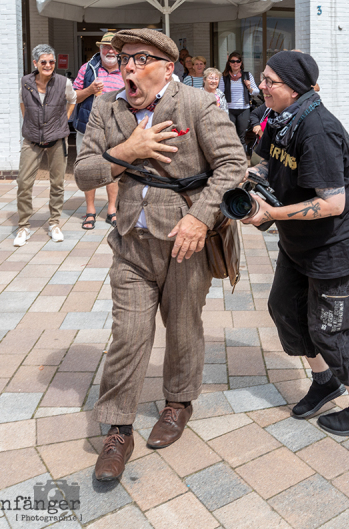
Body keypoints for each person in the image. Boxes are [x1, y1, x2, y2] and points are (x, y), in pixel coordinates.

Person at [74, 28, 245, 481]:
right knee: (129, 334)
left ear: (167, 67)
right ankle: (118, 428)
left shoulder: (196, 104)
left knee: (183, 326)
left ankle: (177, 402)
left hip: (187, 243)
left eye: (139, 58)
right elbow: (84, 173)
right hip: (132, 242)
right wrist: (125, 152)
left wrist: (201, 218)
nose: (126, 65)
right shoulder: (108, 110)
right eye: (122, 58)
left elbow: (233, 165)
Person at [241, 51, 349, 438]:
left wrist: (270, 214)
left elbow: (333, 202)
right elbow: (270, 164)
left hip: (336, 245)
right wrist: (238, 176)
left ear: (295, 88)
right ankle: (324, 381)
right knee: (285, 308)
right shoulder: (280, 118)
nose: (262, 85)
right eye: (263, 77)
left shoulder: (317, 129)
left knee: (331, 330)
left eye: (270, 80)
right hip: (300, 241)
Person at [15, 44, 77, 247]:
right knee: (24, 182)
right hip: (31, 138)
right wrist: (30, 123)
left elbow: (72, 100)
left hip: (57, 138)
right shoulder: (25, 82)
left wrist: (63, 121)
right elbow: (23, 104)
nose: (48, 65)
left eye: (51, 61)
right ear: (35, 63)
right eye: (44, 62)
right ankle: (24, 226)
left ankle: (54, 223)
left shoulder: (63, 82)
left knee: (57, 183)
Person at [72, 32, 124, 230]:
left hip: (116, 127)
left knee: (114, 168)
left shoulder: (126, 68)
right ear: (99, 49)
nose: (109, 50)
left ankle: (112, 210)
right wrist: (89, 90)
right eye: (105, 47)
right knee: (87, 169)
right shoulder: (88, 69)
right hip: (88, 127)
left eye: (113, 47)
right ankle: (90, 211)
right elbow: (73, 97)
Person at [219, 52, 260, 152]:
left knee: (241, 136)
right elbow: (220, 93)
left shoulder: (247, 75)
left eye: (237, 61)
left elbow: (256, 92)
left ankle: (242, 159)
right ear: (229, 63)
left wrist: (249, 87)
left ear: (241, 63)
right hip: (229, 109)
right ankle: (232, 157)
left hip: (243, 109)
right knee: (230, 135)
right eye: (232, 61)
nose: (235, 63)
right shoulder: (224, 76)